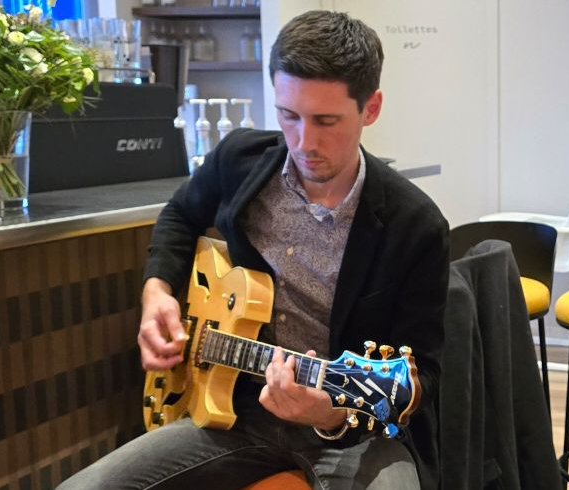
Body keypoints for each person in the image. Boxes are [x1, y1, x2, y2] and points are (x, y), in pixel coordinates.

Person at [59, 10, 447, 490]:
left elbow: (424, 374)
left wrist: (329, 411)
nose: (305, 142)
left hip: (352, 429)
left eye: (327, 120)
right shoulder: (240, 161)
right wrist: (157, 292)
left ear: (371, 108)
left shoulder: (416, 225)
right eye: (289, 115)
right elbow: (179, 215)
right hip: (237, 410)